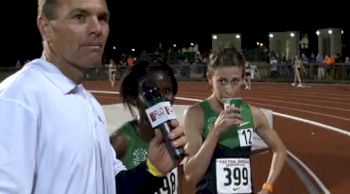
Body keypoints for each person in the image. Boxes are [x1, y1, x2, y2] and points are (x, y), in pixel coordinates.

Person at [0, 0, 186, 193]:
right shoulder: (18, 100)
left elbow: (111, 186)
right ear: (45, 27)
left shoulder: (89, 104)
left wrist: (153, 169)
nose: (97, 28)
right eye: (79, 17)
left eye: (102, 18)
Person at [182, 47, 287, 194]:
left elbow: (280, 150)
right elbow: (191, 176)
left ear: (243, 80)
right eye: (222, 81)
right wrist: (216, 131)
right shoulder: (196, 115)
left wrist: (267, 187)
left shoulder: (253, 114)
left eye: (235, 81)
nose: (229, 90)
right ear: (209, 79)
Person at [110, 60, 183, 194]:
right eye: (151, 92)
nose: (160, 99)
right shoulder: (119, 142)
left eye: (166, 91)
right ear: (133, 98)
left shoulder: (174, 136)